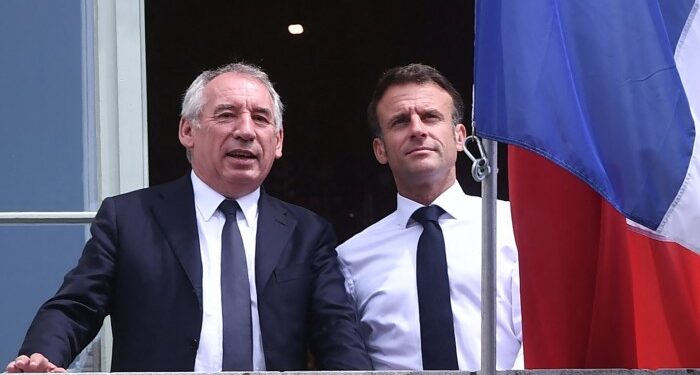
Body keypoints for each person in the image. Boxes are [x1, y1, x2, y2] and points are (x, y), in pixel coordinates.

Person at [6, 62, 371, 373]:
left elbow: (336, 331)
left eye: (260, 119)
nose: (245, 130)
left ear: (277, 142)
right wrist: (42, 357)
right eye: (227, 115)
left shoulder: (308, 233)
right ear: (187, 131)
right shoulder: (130, 219)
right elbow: (75, 307)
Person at [337, 63, 523, 371]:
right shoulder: (350, 258)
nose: (417, 129)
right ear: (380, 149)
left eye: (430, 117)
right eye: (399, 122)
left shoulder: (514, 226)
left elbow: (541, 336)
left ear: (460, 136)